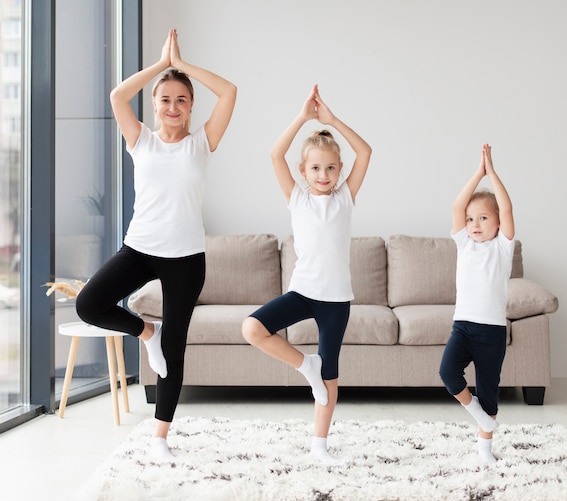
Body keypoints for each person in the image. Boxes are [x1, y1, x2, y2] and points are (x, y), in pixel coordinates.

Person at [76, 29, 236, 460]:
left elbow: (230, 91)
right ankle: (146, 330)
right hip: (140, 249)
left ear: (191, 106)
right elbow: (116, 95)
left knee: (175, 348)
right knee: (89, 305)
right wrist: (160, 65)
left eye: (181, 99)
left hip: (186, 259)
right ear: (153, 105)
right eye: (164, 99)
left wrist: (182, 66)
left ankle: (161, 436)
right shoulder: (140, 140)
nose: (172, 106)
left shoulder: (202, 143)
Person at [242, 85, 371, 465]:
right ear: (303, 171)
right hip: (303, 292)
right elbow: (274, 153)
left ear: (340, 170)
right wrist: (302, 118)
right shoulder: (296, 198)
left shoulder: (346, 197)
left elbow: (365, 151)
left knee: (330, 376)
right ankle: (305, 365)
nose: (324, 174)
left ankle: (319, 445)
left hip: (336, 301)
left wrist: (331, 121)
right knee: (252, 329)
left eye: (331, 167)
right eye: (315, 167)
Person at [439, 144, 515, 465]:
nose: (475, 223)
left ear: (497, 222)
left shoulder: (503, 248)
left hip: (493, 332)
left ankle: (484, 448)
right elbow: (458, 205)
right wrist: (478, 173)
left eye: (483, 217)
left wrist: (493, 175)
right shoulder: (464, 245)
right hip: (464, 326)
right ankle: (479, 417)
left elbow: (508, 209)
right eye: (471, 219)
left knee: (489, 390)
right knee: (447, 373)